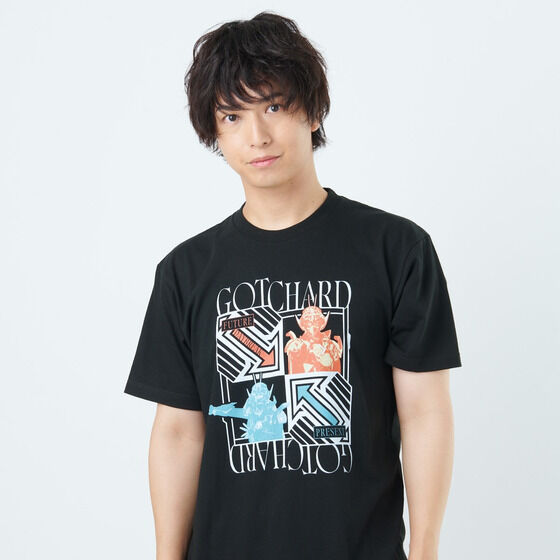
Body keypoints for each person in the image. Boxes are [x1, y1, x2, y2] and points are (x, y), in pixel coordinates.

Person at [124, 11, 462, 560]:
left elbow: (424, 412)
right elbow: (179, 433)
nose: (257, 135)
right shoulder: (185, 272)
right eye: (232, 116)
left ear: (314, 110)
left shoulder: (397, 250)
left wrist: (424, 553)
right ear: (215, 132)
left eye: (274, 106)